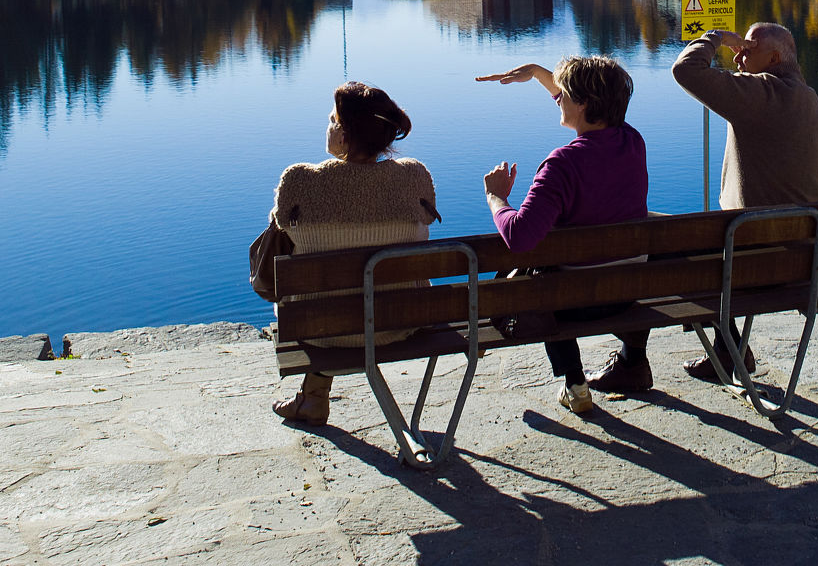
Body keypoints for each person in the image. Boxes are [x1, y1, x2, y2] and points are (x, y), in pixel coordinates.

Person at [476, 55, 651, 410]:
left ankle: (575, 384)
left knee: (541, 278)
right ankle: (632, 359)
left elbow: (521, 237)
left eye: (566, 94)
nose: (560, 98)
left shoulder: (561, 165)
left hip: (573, 304)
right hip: (630, 290)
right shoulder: (632, 142)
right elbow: (590, 104)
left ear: (584, 103)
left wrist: (497, 199)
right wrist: (540, 74)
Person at [267, 81, 437, 427]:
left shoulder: (300, 180)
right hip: (400, 320)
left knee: (322, 286)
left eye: (332, 121)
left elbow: (278, 234)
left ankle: (313, 398)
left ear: (344, 136)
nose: (327, 126)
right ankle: (311, 397)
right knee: (360, 286)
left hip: (319, 327)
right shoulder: (414, 176)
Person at [671, 21, 818, 380]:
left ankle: (635, 358)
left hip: (750, 261)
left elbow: (685, 70)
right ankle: (730, 351)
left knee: (664, 249)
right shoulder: (814, 104)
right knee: (707, 244)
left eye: (748, 47)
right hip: (804, 260)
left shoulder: (760, 95)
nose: (739, 53)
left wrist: (714, 38)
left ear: (774, 57)